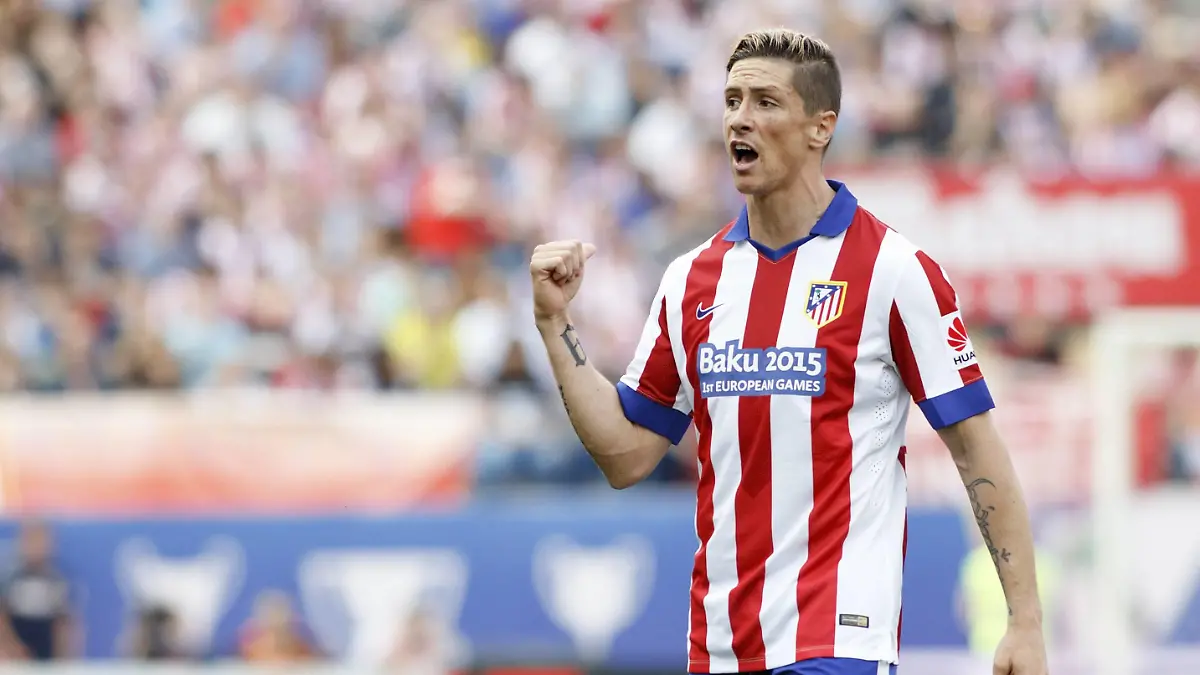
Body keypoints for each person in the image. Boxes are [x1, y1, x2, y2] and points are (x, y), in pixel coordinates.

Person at [529, 29, 1049, 675]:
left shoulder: (893, 270)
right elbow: (627, 453)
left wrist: (1023, 619)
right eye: (732, 99)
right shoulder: (691, 279)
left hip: (838, 638)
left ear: (819, 128)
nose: (741, 118)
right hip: (720, 644)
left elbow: (975, 447)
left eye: (767, 101)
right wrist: (556, 327)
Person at [0, 521, 75, 661]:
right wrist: (11, 646)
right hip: (17, 646)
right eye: (31, 541)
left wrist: (64, 655)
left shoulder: (57, 578)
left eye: (41, 541)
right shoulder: (10, 577)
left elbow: (64, 622)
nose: (36, 547)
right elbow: (3, 618)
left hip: (47, 647)